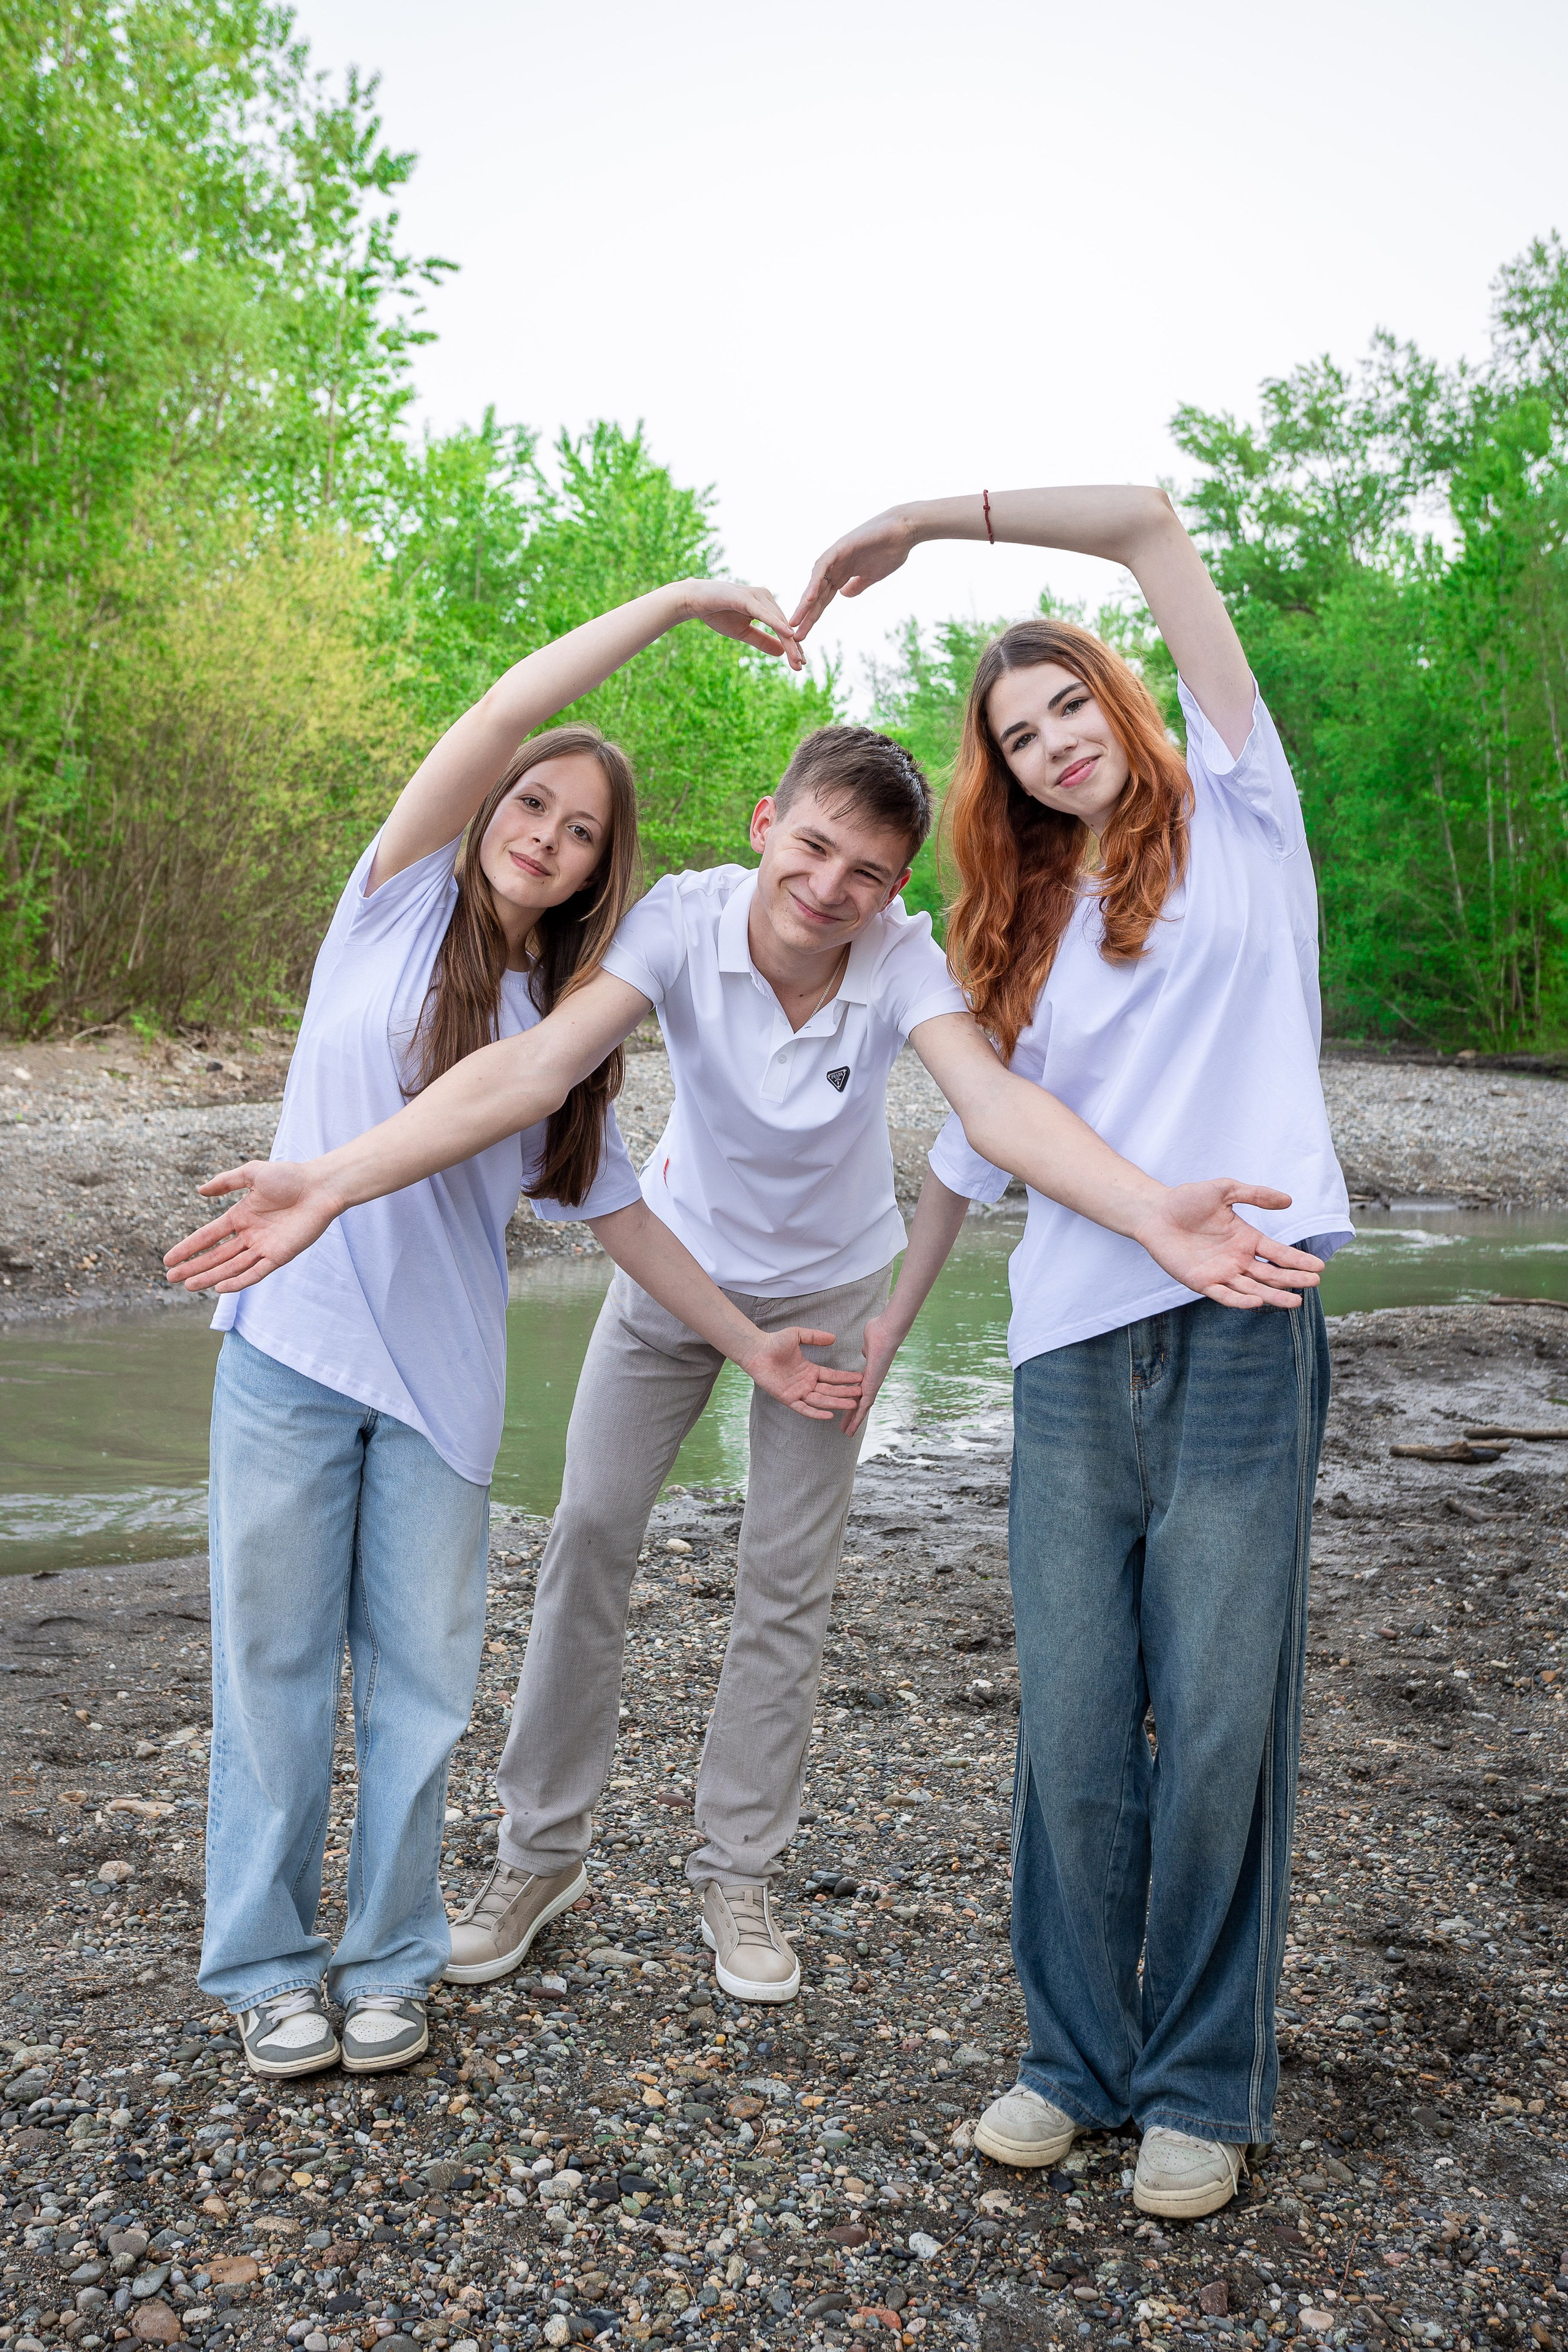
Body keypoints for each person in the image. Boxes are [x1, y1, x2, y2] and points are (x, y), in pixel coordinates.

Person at [167, 688, 1322, 2020]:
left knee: (785, 1582)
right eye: (812, 849)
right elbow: (537, 1073)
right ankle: (535, 1861)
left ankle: (738, 1874)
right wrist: (328, 1180)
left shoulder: (899, 960)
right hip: (676, 1275)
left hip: (831, 1287)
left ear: (896, 892)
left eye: (869, 875)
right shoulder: (680, 920)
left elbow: (993, 1108)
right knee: (587, 1532)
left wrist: (1142, 1211)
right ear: (767, 825)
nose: (829, 889)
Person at [186, 576, 868, 2082]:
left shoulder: (563, 1026)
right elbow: (505, 703)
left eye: (579, 835)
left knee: (423, 1693)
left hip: (443, 1390)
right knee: (275, 1672)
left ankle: (387, 1962)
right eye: (535, 804)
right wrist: (685, 603)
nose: (545, 837)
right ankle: (265, 1968)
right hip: (290, 1354)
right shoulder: (390, 900)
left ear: (593, 876)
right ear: (494, 800)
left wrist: (754, 1346)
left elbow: (626, 1219)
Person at [788, 483, 1352, 2215]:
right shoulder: (1014, 927)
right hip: (1068, 1351)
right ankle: (1070, 2056)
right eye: (1020, 740)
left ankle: (1197, 2083)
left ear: (1122, 699)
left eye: (1069, 708)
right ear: (1006, 779)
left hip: (1246, 1324)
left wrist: (923, 522)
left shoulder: (1248, 811)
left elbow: (1150, 523)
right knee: (1079, 1725)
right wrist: (887, 1326)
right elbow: (977, 1154)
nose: (1053, 747)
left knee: (1224, 1718)